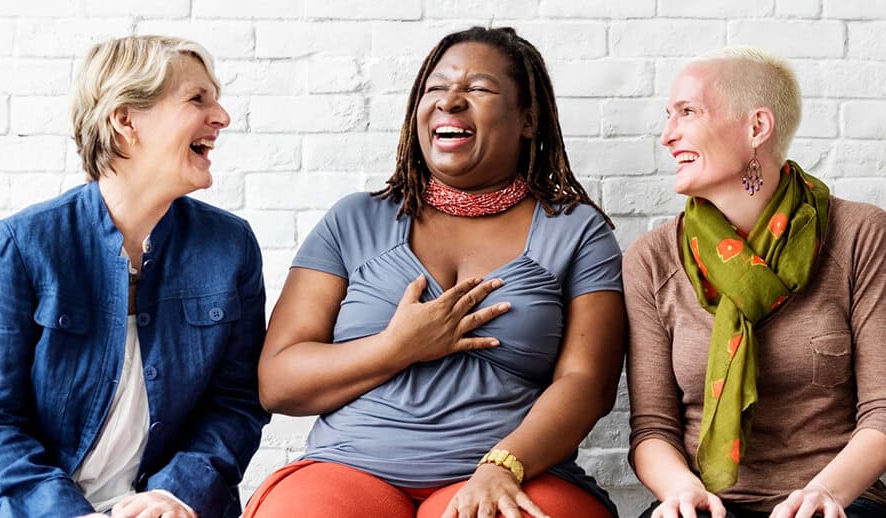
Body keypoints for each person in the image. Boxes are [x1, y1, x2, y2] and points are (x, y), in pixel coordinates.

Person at [245, 26, 626, 518]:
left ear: (528, 120)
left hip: (517, 468)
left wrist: (504, 465)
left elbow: (587, 383)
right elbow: (277, 382)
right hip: (349, 469)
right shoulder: (354, 220)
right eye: (436, 88)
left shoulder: (576, 230)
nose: (451, 101)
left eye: (478, 88)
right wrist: (396, 347)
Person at [0, 36, 269, 518]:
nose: (221, 116)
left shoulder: (231, 246)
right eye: (197, 98)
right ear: (125, 121)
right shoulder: (22, 245)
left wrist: (177, 495)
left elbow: (237, 402)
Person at [625, 46, 886, 518]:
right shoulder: (652, 258)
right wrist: (682, 489)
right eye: (669, 115)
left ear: (757, 127)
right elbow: (652, 429)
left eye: (688, 112)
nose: (667, 135)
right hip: (706, 504)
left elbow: (882, 411)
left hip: (838, 500)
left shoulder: (858, 236)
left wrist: (825, 493)